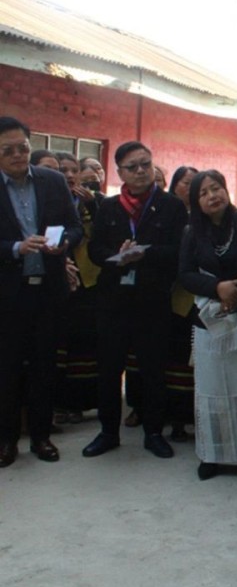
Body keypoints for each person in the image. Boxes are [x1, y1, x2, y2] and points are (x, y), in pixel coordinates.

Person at [82, 141, 187, 459]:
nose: (142, 171)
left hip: (152, 300)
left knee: (153, 368)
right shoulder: (110, 207)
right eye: (133, 167)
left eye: (146, 164)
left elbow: (179, 252)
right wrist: (117, 257)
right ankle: (108, 432)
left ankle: (154, 432)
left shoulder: (171, 206)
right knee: (109, 368)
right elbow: (95, 250)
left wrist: (146, 253)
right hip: (113, 299)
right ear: (120, 173)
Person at [0, 117, 83, 466]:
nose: (19, 155)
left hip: (48, 292)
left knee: (45, 367)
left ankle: (41, 437)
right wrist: (16, 248)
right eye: (8, 150)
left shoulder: (51, 181)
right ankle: (6, 442)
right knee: (6, 369)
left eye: (23, 148)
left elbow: (75, 227)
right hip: (7, 296)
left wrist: (62, 243)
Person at [178, 170, 237, 481]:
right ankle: (211, 455)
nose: (213, 196)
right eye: (204, 192)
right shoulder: (190, 232)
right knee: (211, 392)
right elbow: (185, 275)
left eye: (217, 188)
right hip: (209, 320)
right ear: (196, 201)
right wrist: (217, 289)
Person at [53, 152, 102, 424]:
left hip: (91, 282)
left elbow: (107, 234)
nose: (70, 176)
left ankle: (85, 403)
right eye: (63, 170)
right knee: (62, 345)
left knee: (87, 344)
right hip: (60, 280)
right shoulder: (50, 202)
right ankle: (61, 403)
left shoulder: (94, 201)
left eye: (74, 170)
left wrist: (93, 206)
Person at [165, 165, 199, 442]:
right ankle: (176, 418)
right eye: (185, 183)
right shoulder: (168, 216)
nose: (190, 189)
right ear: (174, 185)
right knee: (176, 359)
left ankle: (197, 417)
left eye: (194, 184)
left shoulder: (209, 218)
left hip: (204, 300)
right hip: (177, 297)